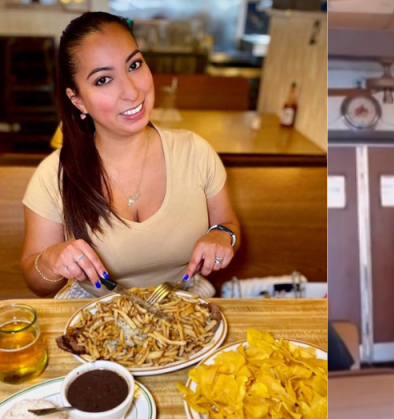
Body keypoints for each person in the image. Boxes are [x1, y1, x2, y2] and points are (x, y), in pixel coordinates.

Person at [20, 12, 241, 299]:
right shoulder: (54, 175)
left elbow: (229, 227)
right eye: (103, 80)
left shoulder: (195, 152)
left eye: (134, 65)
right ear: (77, 100)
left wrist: (222, 237)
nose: (131, 90)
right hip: (91, 316)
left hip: (185, 306)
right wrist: (51, 260)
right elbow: (35, 279)